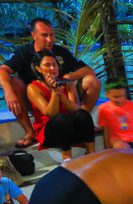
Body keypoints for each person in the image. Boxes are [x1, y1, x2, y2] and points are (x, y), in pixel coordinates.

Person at [0, 18, 100, 148]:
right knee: (13, 82)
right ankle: (30, 132)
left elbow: (89, 70)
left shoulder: (61, 52)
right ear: (34, 35)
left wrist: (67, 77)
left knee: (92, 81)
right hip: (35, 100)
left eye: (52, 35)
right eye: (44, 35)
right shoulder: (23, 53)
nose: (50, 39)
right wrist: (8, 92)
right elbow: (3, 70)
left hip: (63, 98)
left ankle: (82, 123)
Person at [27, 50, 95, 161]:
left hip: (70, 129)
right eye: (47, 65)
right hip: (51, 132)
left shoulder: (67, 82)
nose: (53, 68)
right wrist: (55, 93)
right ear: (38, 69)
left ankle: (91, 151)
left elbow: (75, 109)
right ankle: (67, 156)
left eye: (54, 64)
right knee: (61, 119)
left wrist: (61, 94)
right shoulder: (33, 88)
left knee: (82, 114)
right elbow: (50, 114)